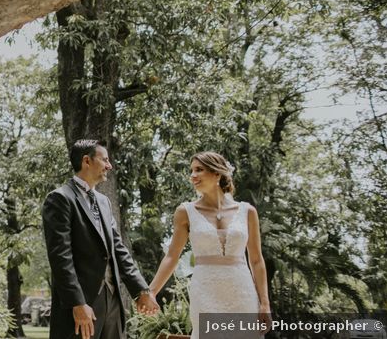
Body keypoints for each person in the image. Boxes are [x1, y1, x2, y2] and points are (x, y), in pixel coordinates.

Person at [147, 151, 272, 338]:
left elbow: (256, 260)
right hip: (205, 292)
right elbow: (172, 256)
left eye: (199, 170)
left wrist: (265, 303)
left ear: (217, 173)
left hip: (242, 292)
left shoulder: (248, 211)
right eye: (191, 171)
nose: (193, 175)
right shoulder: (185, 212)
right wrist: (151, 292)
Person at [43, 139, 159, 339]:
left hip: (112, 299)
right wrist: (77, 303)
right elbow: (61, 258)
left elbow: (118, 248)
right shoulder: (60, 199)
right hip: (81, 304)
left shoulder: (104, 202)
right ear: (86, 161)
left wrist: (141, 290)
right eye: (104, 159)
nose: (109, 165)